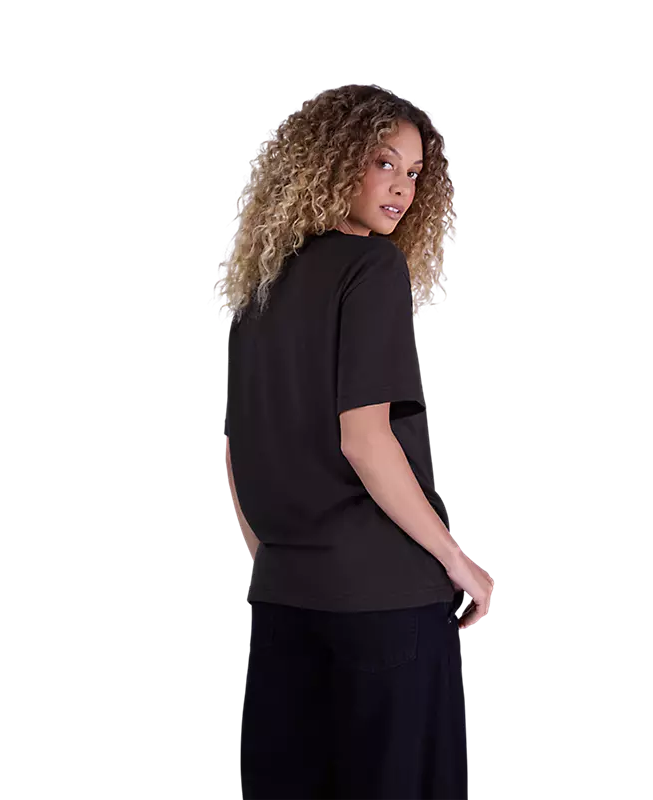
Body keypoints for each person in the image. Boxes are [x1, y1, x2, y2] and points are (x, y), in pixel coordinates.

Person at [208, 82, 495, 800]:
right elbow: (365, 440)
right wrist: (456, 560)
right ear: (334, 162)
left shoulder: (260, 284)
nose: (402, 188)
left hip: (285, 600)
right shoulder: (371, 268)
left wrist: (282, 561)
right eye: (384, 162)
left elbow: (237, 451)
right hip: (387, 605)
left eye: (415, 172)